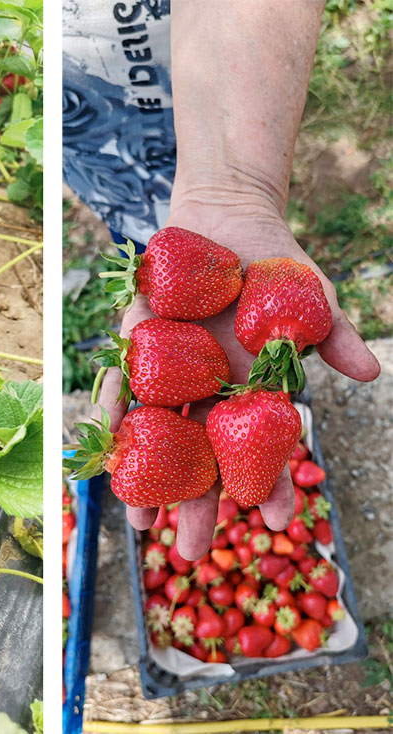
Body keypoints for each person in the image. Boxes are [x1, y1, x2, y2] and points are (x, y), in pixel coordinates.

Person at [63, 1, 381, 560]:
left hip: (221, 76)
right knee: (142, 237)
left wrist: (233, 185)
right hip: (88, 126)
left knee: (158, 250)